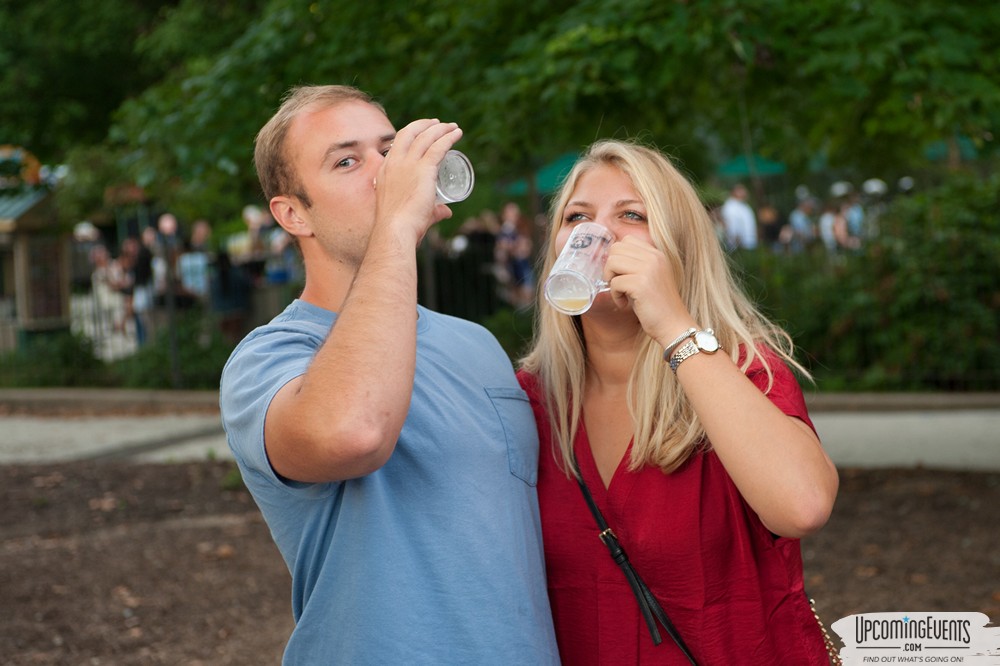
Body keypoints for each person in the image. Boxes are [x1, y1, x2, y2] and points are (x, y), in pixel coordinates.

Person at [219, 84, 559, 664]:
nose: (386, 173)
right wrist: (397, 224)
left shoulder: (474, 344)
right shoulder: (269, 358)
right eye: (347, 161)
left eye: (389, 150)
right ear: (293, 213)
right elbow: (353, 433)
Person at [517, 140, 839, 664]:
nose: (596, 233)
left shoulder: (739, 371)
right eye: (577, 216)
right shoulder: (527, 402)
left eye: (632, 214)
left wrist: (672, 323)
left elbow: (802, 505)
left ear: (677, 249)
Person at [719, 182, 758, 250]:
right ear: (734, 191)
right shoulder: (730, 206)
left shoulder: (744, 206)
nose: (745, 192)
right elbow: (730, 223)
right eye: (741, 190)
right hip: (737, 245)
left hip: (748, 244)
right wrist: (735, 238)